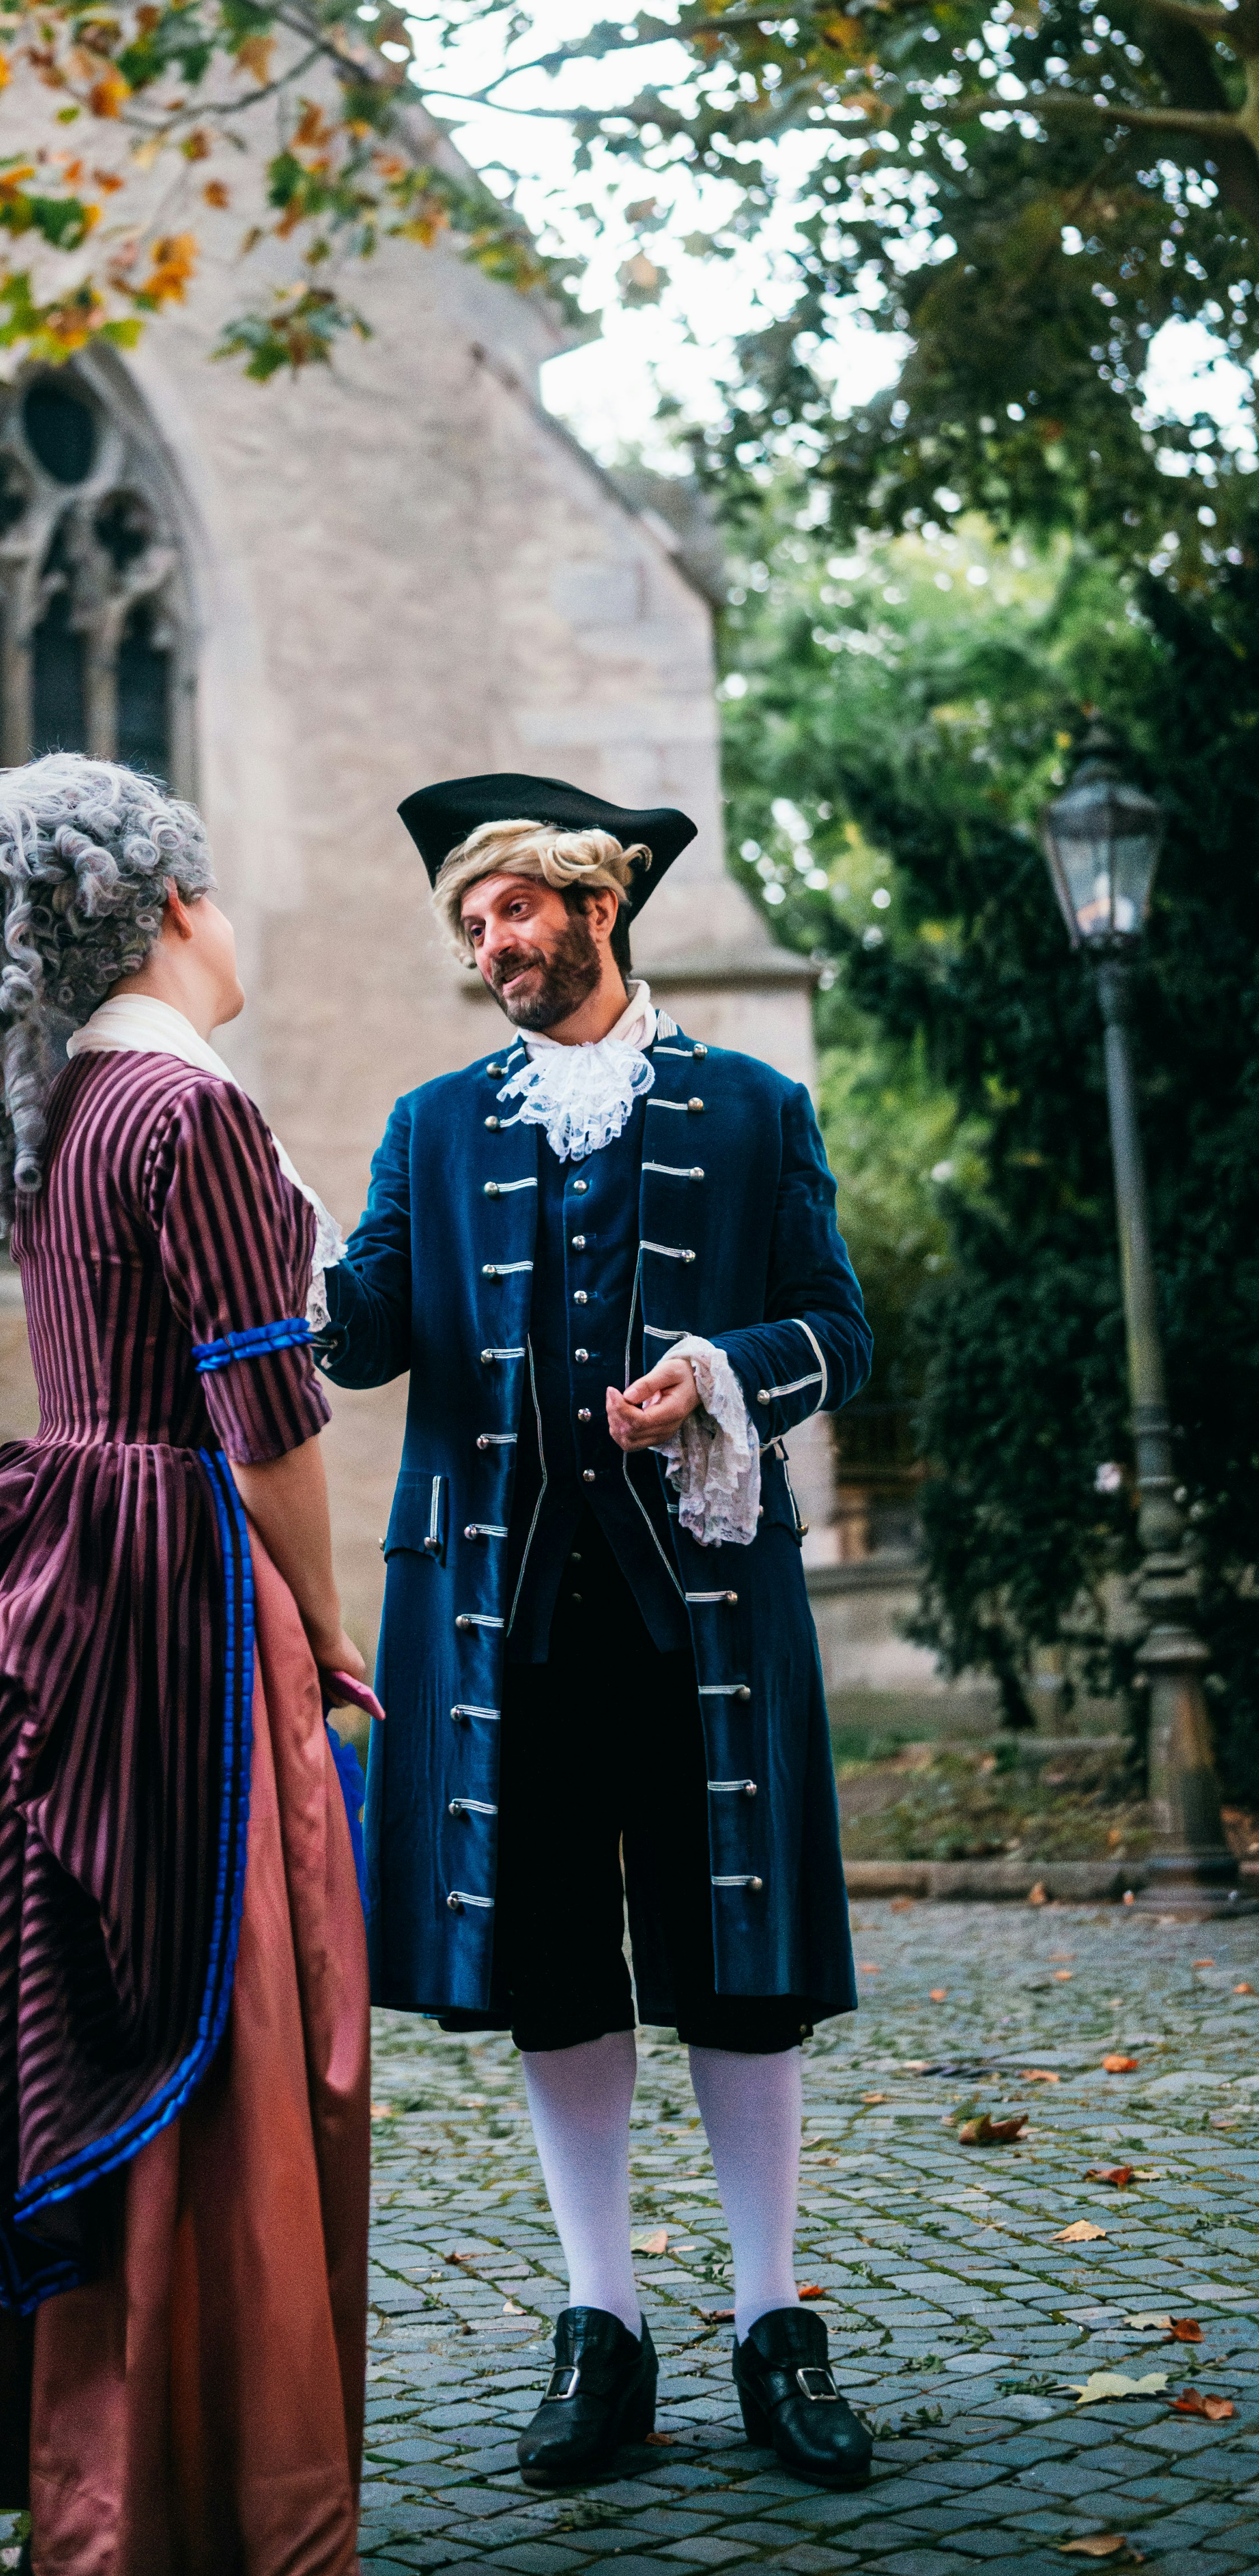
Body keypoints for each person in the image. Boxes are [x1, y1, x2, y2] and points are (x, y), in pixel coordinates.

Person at [0, 755, 372, 2576]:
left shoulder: (62, 1116)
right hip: (180, 1599)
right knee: (240, 2039)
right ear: (172, 905)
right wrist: (332, 1629)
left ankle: (98, 2477)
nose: (234, 915)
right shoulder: (188, 1119)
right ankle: (207, 2495)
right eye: (220, 885)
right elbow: (269, 1422)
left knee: (69, 2010)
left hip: (62, 1577)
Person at [317, 773, 873, 2490]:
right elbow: (358, 1344)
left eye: (513, 914)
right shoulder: (430, 1126)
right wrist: (272, 1238)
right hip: (500, 1613)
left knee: (735, 1963)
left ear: (595, 906)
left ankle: (774, 2318)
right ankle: (603, 2321)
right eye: (471, 925)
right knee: (556, 1960)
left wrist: (720, 1377)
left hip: (704, 1609)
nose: (490, 946)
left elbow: (838, 1334)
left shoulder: (757, 1109)